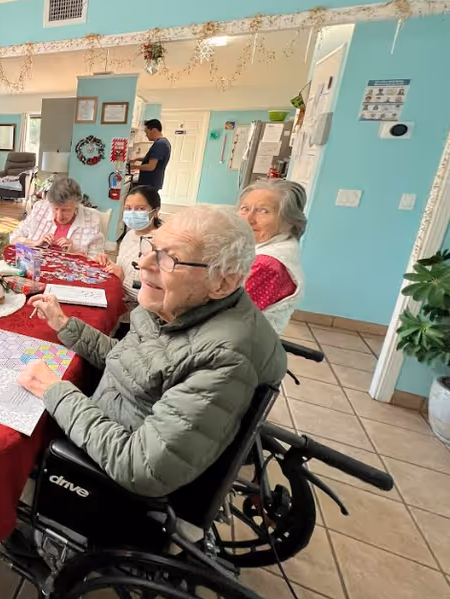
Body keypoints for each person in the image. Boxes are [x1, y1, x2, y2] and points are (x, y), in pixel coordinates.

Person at [18, 206, 287, 497]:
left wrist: (55, 391)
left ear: (223, 282)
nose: (143, 263)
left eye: (169, 259)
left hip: (112, 477)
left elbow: (140, 467)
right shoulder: (175, 306)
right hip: (107, 416)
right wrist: (65, 325)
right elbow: (135, 363)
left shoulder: (225, 358)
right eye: (152, 248)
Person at [237, 180, 307, 334]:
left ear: (290, 220)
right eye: (245, 208)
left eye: (263, 211)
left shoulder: (266, 264)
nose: (248, 219)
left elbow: (228, 315)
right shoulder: (280, 244)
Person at [95, 185, 163, 303]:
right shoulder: (130, 235)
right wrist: (108, 264)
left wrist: (123, 279)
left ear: (156, 211)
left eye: (140, 209)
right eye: (128, 208)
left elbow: (156, 295)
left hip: (139, 307)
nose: (132, 213)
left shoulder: (159, 244)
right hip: (118, 296)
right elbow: (124, 267)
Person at [9, 177, 105, 257]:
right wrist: (35, 243)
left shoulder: (91, 220)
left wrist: (74, 252)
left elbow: (97, 262)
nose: (59, 216)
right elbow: (13, 239)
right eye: (55, 209)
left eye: (65, 210)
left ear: (76, 205)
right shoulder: (40, 209)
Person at [130, 119, 172, 190]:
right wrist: (137, 159)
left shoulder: (160, 144)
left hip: (149, 183)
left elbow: (151, 166)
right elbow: (153, 158)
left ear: (153, 130)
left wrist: (134, 167)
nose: (146, 135)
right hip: (153, 182)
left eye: (146, 132)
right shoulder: (164, 142)